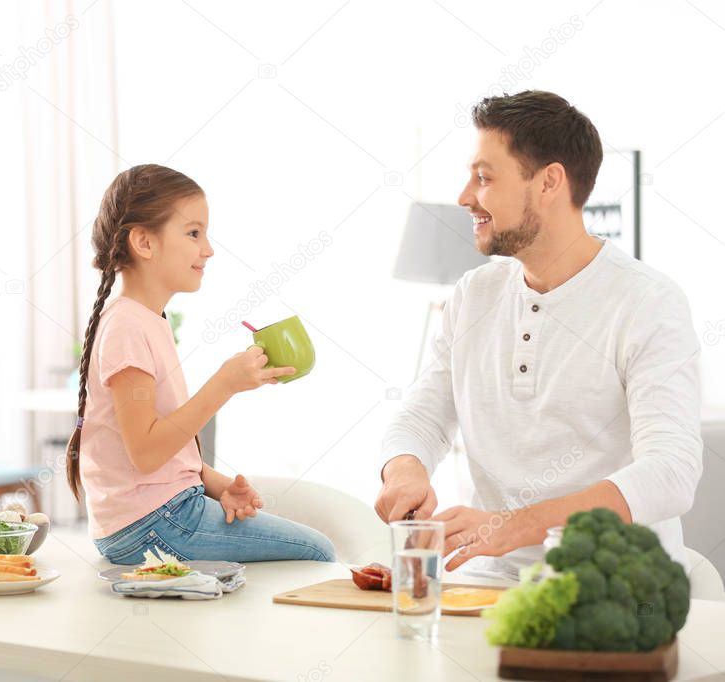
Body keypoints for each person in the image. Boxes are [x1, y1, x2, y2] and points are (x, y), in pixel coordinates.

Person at [377, 90, 702, 578]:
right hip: (488, 569)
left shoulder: (648, 302)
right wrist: (405, 471)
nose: (465, 197)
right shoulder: (474, 294)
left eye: (484, 178)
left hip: (613, 579)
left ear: (550, 182)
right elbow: (424, 415)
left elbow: (670, 473)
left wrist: (522, 523)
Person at [66, 163, 335, 565]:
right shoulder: (127, 327)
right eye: (194, 233)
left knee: (309, 548)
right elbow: (145, 452)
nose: (207, 249)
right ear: (144, 241)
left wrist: (217, 485)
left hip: (156, 515)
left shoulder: (147, 321)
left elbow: (159, 454)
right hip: (152, 524)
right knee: (317, 551)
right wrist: (224, 384)